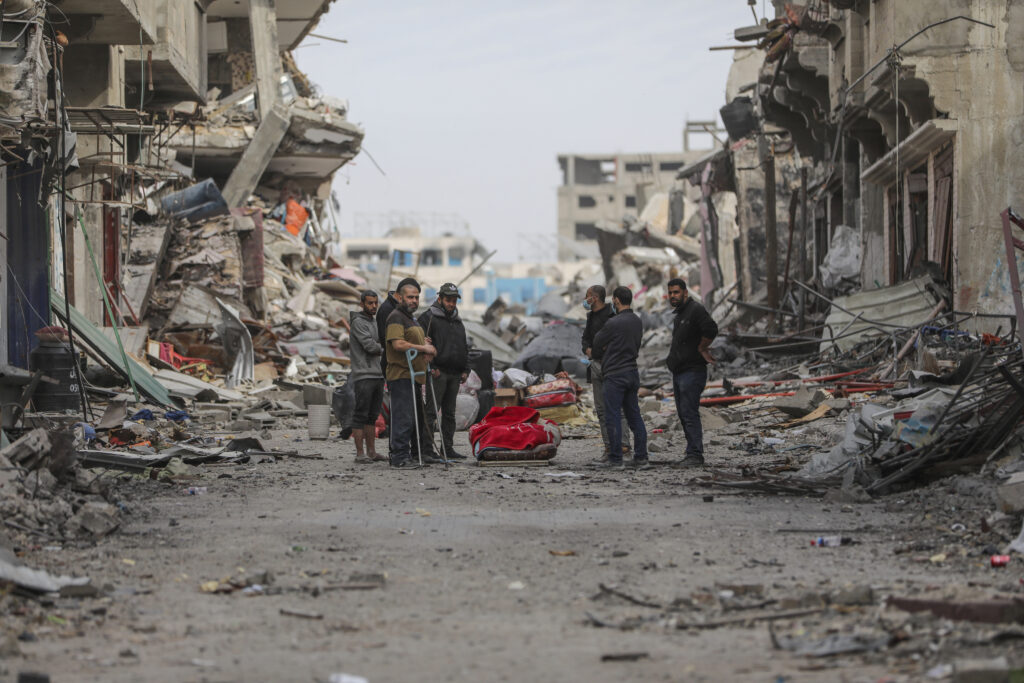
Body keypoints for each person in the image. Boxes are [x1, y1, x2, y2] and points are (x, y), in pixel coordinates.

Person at [590, 286, 649, 470]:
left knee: (612, 416)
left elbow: (596, 345)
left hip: (614, 375)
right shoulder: (637, 321)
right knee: (634, 416)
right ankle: (641, 458)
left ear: (615, 300)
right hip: (632, 372)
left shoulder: (613, 323)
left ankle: (616, 459)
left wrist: (607, 348)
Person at [665, 278, 718, 467]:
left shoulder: (695, 310)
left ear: (685, 293)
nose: (673, 296)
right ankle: (691, 453)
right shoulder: (680, 314)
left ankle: (695, 455)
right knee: (683, 413)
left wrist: (703, 347)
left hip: (692, 372)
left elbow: (711, 329)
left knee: (689, 413)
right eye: (670, 293)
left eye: (676, 292)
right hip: (680, 372)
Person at [384, 280, 437, 468]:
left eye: (416, 297)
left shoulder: (411, 318)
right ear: (399, 297)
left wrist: (425, 347)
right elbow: (398, 344)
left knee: (415, 419)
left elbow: (411, 340)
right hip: (401, 375)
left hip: (415, 376)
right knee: (403, 417)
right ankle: (399, 457)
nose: (414, 300)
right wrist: (422, 346)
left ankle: (414, 455)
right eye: (410, 297)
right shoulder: (396, 317)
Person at [417, 283, 469, 460]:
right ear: (439, 299)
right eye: (448, 300)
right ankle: (426, 450)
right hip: (438, 373)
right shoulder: (428, 318)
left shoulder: (457, 320)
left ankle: (447, 448)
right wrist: (431, 368)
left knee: (449, 414)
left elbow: (463, 346)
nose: (452, 304)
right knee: (431, 412)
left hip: (454, 374)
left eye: (454, 300)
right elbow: (422, 345)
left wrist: (465, 369)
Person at [580, 285, 631, 462]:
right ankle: (609, 448)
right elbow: (585, 338)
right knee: (601, 411)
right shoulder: (591, 317)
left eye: (587, 297)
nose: (585, 300)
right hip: (595, 366)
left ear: (594, 298)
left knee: (618, 408)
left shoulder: (613, 316)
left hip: (612, 367)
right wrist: (588, 350)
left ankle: (624, 446)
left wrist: (602, 351)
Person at [348, 290, 387, 464]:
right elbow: (370, 346)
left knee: (372, 415)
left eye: (375, 303)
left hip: (377, 375)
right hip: (364, 375)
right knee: (360, 415)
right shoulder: (358, 322)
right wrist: (386, 349)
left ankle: (371, 452)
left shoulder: (374, 322)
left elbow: (377, 342)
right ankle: (360, 453)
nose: (373, 306)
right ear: (362, 304)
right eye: (370, 303)